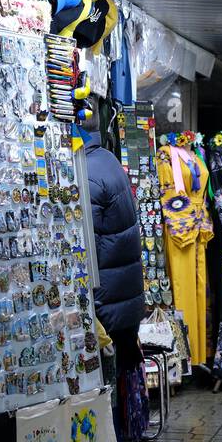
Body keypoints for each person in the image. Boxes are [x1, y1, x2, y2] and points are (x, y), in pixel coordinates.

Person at [81, 109, 146, 377]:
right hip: (123, 298)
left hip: (108, 303)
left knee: (108, 389)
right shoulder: (106, 159)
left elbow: (87, 246)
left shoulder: (85, 171)